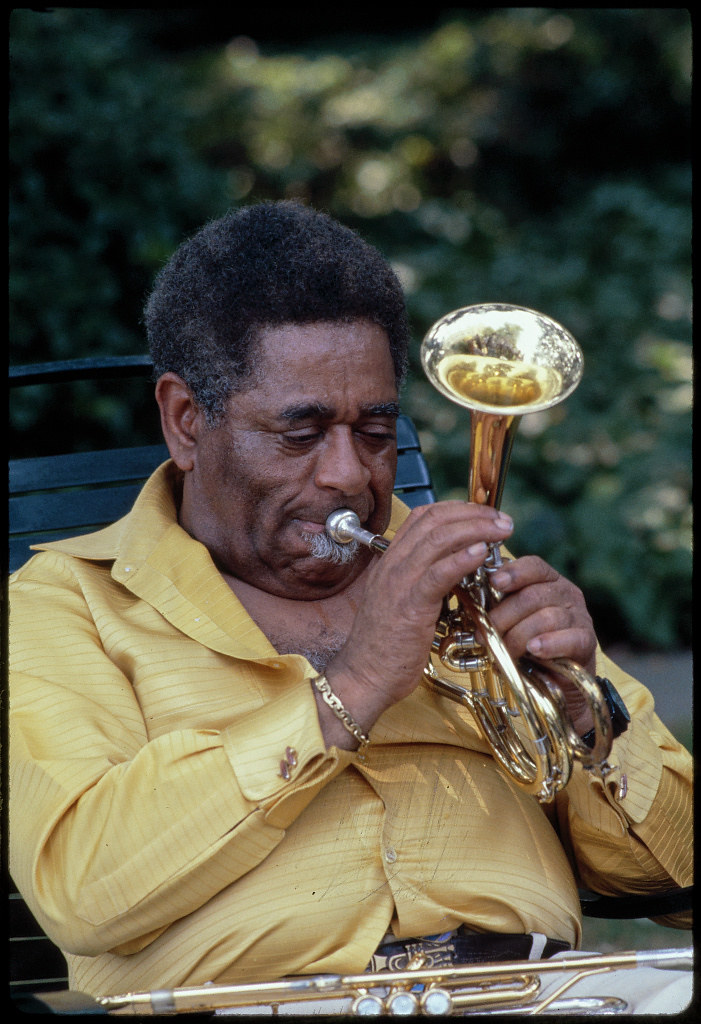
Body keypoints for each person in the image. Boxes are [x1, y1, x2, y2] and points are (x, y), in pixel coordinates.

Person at [9, 201, 692, 1014]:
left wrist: (584, 716)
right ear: (186, 422)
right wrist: (356, 681)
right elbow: (85, 888)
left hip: (544, 992)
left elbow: (677, 877)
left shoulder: (466, 581)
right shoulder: (66, 604)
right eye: (300, 435)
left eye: (374, 430)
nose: (347, 476)